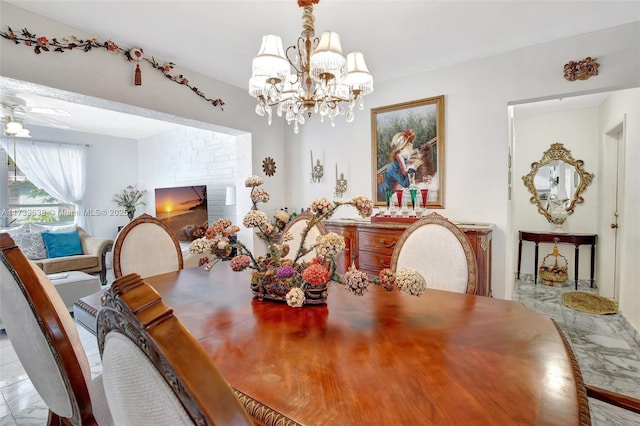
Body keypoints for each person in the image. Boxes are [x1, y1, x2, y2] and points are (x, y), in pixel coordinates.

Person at [378, 130, 423, 202]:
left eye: (411, 143)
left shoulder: (404, 161)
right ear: (401, 149)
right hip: (386, 198)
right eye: (408, 145)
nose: (411, 145)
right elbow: (405, 183)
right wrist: (413, 167)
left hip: (397, 194)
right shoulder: (393, 166)